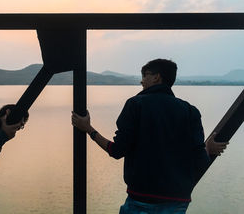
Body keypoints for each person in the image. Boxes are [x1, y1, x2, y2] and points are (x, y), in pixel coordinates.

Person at [72, 59, 228, 214]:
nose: (141, 81)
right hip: (178, 202)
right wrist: (207, 148)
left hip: (142, 200)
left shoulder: (136, 105)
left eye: (145, 75)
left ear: (156, 77)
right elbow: (200, 161)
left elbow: (117, 150)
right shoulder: (190, 111)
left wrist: (89, 129)